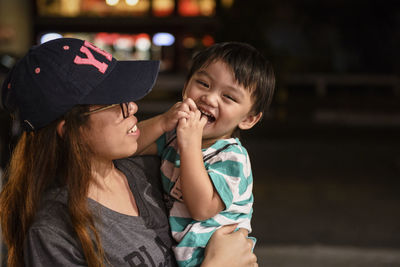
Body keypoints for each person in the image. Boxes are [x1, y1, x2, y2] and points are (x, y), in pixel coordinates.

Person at [0, 38, 258, 267]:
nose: (132, 106)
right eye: (115, 102)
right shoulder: (54, 234)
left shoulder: (146, 170)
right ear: (70, 131)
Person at [135, 42, 275, 266]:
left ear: (248, 119)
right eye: (203, 83)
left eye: (229, 97)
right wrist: (161, 122)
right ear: (185, 87)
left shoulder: (233, 158)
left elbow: (202, 208)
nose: (209, 98)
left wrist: (190, 143)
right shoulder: (174, 136)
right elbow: (130, 144)